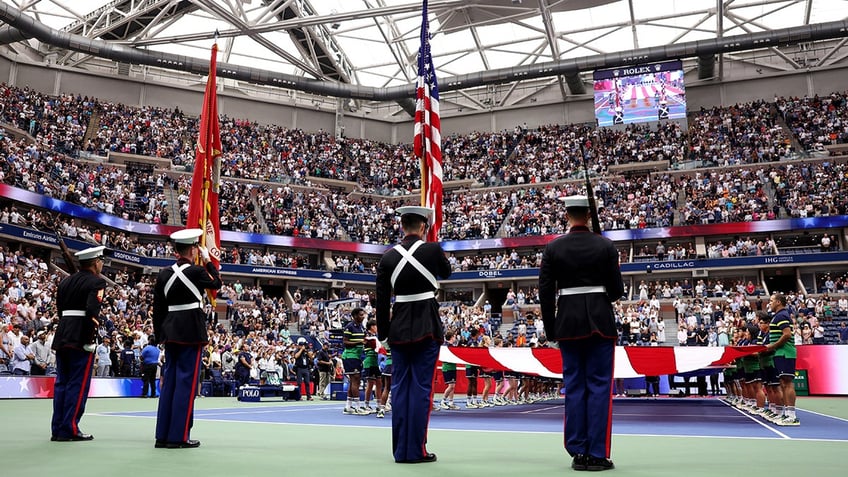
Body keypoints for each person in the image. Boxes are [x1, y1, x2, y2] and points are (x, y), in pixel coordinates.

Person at [538, 195, 624, 472]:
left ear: (567, 215)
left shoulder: (553, 248)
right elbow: (617, 291)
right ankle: (597, 453)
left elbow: (545, 292)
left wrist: (551, 329)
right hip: (599, 320)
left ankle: (578, 451)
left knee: (574, 386)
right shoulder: (605, 246)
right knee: (599, 387)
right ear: (589, 214)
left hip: (567, 324)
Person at [376, 206, 451, 464]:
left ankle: (400, 451)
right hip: (426, 327)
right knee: (421, 389)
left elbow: (382, 301)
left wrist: (383, 335)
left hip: (398, 328)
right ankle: (416, 450)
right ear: (423, 227)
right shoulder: (432, 250)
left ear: (402, 226)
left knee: (399, 388)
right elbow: (447, 272)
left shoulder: (387, 258)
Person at [152, 229, 222, 449]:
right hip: (191, 332)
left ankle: (162, 435)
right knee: (186, 385)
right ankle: (179, 436)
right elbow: (217, 283)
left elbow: (158, 309)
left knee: (170, 383)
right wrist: (209, 261)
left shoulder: (163, 274)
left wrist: (159, 335)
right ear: (193, 249)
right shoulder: (197, 271)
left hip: (170, 332)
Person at [51, 245, 107, 442]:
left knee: (62, 384)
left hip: (63, 334)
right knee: (78, 385)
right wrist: (90, 341)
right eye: (101, 261)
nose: (102, 265)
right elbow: (93, 313)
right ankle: (70, 428)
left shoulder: (65, 282)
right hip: (81, 337)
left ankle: (57, 427)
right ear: (95, 263)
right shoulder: (96, 283)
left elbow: (60, 311)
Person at [765, 293, 799, 426]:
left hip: (785, 352)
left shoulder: (781, 315)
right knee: (783, 383)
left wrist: (772, 346)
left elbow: (787, 334)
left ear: (779, 302)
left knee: (787, 383)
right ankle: (787, 413)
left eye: (772, 301)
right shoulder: (777, 316)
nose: (770, 303)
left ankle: (792, 416)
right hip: (780, 353)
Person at [341, 308, 368, 415]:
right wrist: (359, 342)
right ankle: (357, 406)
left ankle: (348, 406)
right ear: (355, 316)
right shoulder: (349, 327)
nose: (363, 316)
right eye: (361, 315)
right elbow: (345, 342)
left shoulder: (361, 327)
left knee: (353, 381)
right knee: (355, 380)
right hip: (350, 356)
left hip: (357, 356)